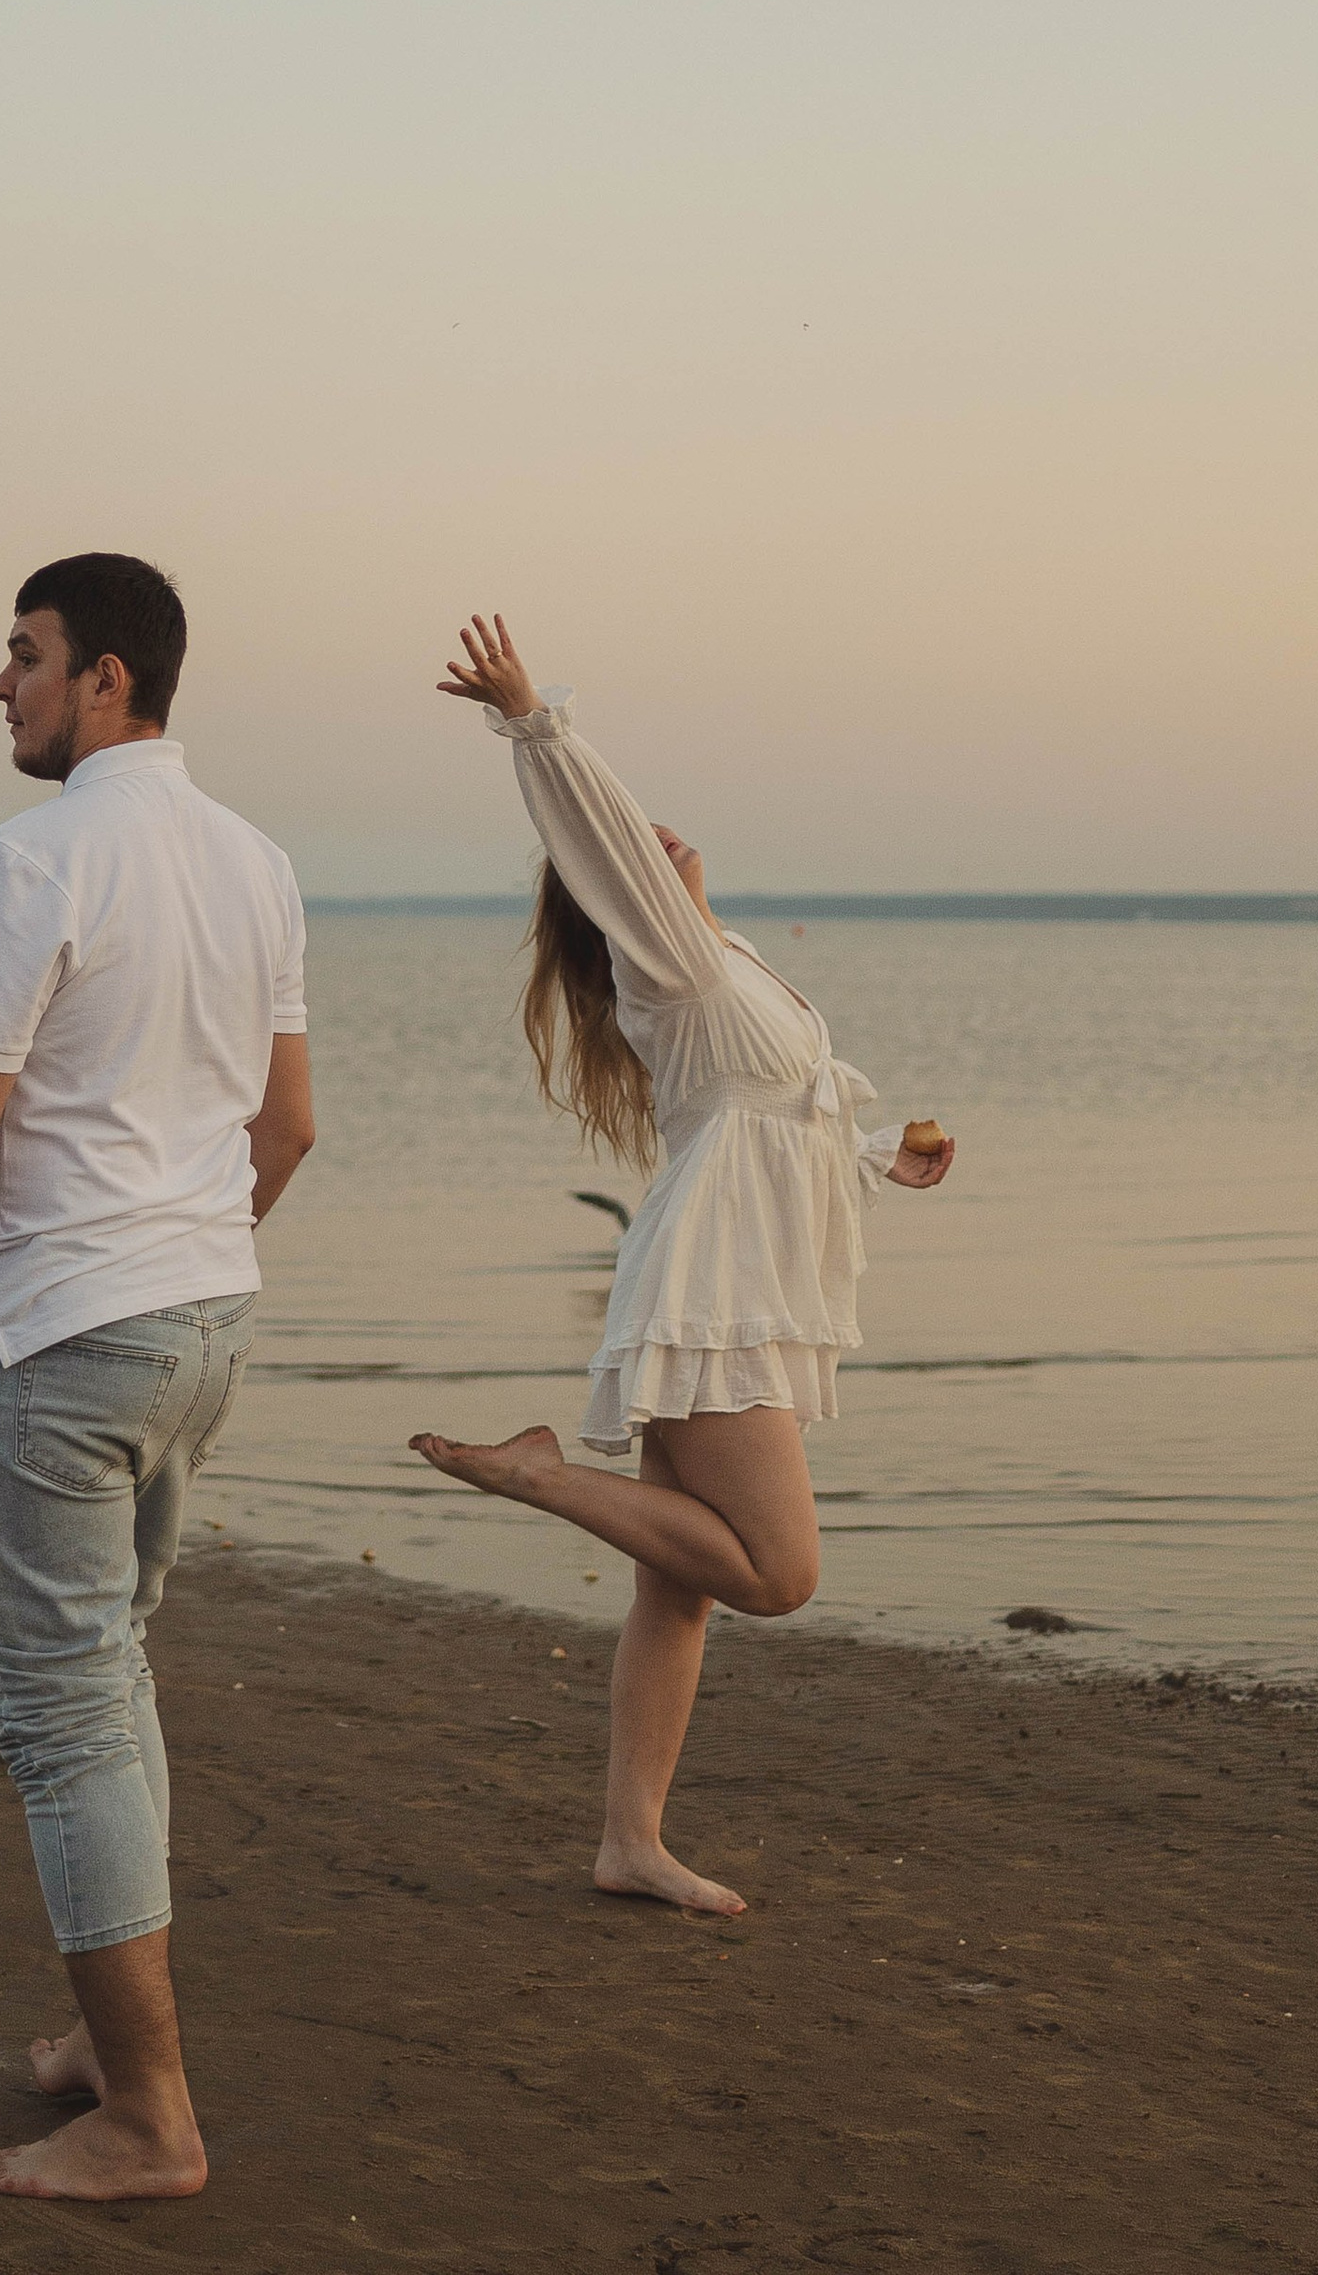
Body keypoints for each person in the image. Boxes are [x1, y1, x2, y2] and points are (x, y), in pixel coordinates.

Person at [0, 552, 315, 2204]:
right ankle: (114, 2047)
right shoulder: (257, 863)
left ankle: (151, 2121)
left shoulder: (30, 860)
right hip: (205, 1328)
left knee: (64, 1716)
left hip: (66, 1347)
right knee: (114, 1684)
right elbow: (288, 1127)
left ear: (107, 679)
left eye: (23, 655)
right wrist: (181, 1248)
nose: (0, 683)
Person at [414, 610, 954, 1917]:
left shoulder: (724, 964)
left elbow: (774, 1111)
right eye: (632, 854)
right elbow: (595, 825)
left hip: (735, 1277)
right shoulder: (662, 957)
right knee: (776, 1571)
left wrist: (884, 1150)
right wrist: (531, 718)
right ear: (617, 900)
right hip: (716, 1292)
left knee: (684, 1586)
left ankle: (628, 1841)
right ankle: (540, 1474)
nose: (657, 841)